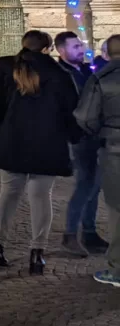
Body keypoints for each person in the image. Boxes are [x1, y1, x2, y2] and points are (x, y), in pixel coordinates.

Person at [0, 29, 81, 275]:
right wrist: (73, 138)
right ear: (47, 48)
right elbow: (72, 112)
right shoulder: (60, 75)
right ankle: (37, 252)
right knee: (41, 196)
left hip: (12, 140)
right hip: (47, 144)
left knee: (8, 193)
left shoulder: (7, 70)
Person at [55, 31, 108, 256]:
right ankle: (70, 235)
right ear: (61, 50)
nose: (80, 50)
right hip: (78, 137)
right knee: (85, 185)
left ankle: (89, 233)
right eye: (75, 46)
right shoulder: (61, 75)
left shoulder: (86, 70)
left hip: (94, 135)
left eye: (80, 45)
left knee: (94, 187)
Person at [74, 33, 120, 287]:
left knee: (117, 210)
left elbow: (85, 118)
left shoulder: (100, 79)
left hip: (114, 150)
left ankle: (118, 270)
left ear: (106, 54)